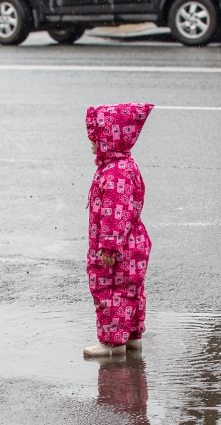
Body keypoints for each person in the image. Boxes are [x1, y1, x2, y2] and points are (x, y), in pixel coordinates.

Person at [83, 103, 153, 357]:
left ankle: (112, 342)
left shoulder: (114, 173)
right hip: (133, 243)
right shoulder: (124, 166)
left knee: (110, 291)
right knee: (130, 290)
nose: (92, 143)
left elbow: (115, 213)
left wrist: (109, 246)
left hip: (118, 246)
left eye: (96, 138)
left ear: (110, 140)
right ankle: (132, 337)